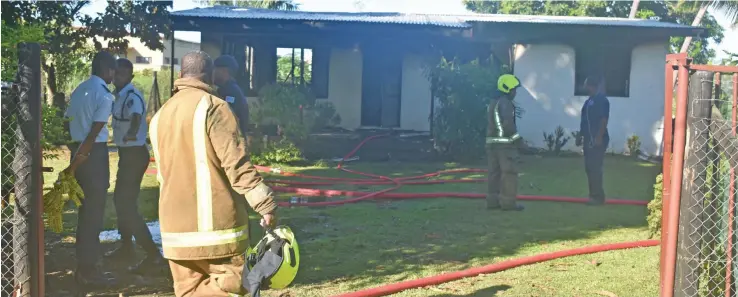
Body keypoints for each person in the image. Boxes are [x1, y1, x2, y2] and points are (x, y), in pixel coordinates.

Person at [149, 50, 278, 297]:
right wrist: (266, 205)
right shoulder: (214, 107)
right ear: (210, 77)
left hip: (174, 231)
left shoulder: (159, 116)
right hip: (216, 231)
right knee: (236, 287)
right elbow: (237, 165)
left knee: (188, 291)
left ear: (180, 75)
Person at [105, 58, 166, 272]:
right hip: (127, 153)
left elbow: (138, 115)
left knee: (126, 204)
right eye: (116, 73)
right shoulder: (119, 95)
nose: (117, 78)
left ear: (129, 77)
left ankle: (152, 254)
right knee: (121, 200)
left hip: (134, 153)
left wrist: (132, 133)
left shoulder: (131, 95)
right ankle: (126, 246)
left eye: (122, 74)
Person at [64, 51, 118, 287]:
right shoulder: (104, 95)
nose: (113, 75)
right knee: (93, 216)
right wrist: (81, 158)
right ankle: (88, 270)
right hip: (92, 154)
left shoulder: (79, 90)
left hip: (78, 149)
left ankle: (86, 266)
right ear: (107, 70)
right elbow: (95, 131)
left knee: (85, 214)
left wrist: (74, 156)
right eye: (113, 70)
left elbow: (67, 123)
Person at [486, 74, 526, 212]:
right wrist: (518, 141)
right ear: (507, 88)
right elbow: (508, 125)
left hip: (491, 144)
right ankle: (508, 203)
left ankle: (492, 201)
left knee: (493, 173)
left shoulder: (493, 102)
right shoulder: (506, 103)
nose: (515, 92)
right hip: (505, 146)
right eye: (514, 89)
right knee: (509, 173)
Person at [576, 75, 610, 206]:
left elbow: (603, 119)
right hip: (588, 139)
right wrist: (580, 135)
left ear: (592, 86)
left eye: (586, 85)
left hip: (597, 139)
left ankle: (597, 197)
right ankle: (593, 195)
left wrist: (599, 137)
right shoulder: (588, 102)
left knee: (595, 168)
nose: (585, 88)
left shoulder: (602, 100)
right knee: (589, 168)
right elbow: (584, 121)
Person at [214, 55, 250, 136]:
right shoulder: (225, 89)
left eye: (215, 69)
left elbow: (226, 117)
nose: (212, 73)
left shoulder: (231, 92)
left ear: (224, 71)